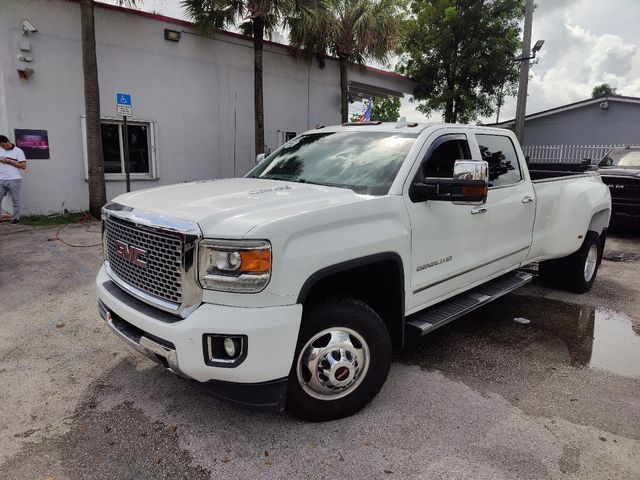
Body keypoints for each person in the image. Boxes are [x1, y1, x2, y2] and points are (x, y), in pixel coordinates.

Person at [0, 135, 27, 224]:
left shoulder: (18, 151)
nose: (3, 147)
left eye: (3, 145)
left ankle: (16, 218)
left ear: (7, 141)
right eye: (1, 146)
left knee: (15, 200)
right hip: (1, 179)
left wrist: (8, 161)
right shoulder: (1, 150)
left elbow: (23, 166)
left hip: (14, 179)